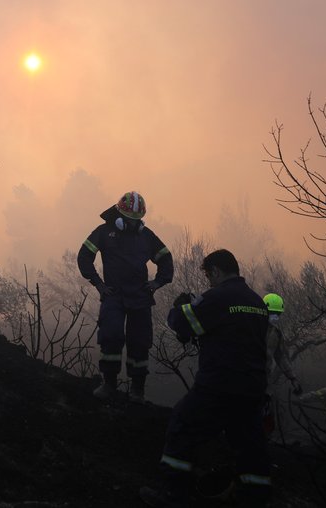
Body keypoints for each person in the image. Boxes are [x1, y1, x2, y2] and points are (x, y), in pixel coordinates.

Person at [140, 249, 271, 508]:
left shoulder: (218, 297)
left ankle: (173, 497)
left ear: (217, 271)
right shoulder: (257, 302)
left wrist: (180, 306)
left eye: (209, 276)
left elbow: (182, 323)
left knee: (182, 428)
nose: (209, 282)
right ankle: (253, 500)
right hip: (252, 390)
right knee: (251, 448)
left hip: (218, 386)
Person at [77, 191, 174, 403]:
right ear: (119, 216)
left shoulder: (146, 236)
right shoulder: (103, 232)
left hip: (140, 297)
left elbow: (165, 258)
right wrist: (99, 284)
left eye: (137, 220)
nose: (133, 224)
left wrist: (157, 282)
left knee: (139, 342)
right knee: (110, 336)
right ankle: (108, 383)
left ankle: (137, 389)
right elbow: (84, 256)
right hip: (114, 295)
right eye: (129, 220)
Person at [262, 292, 301, 438]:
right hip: (247, 378)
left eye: (278, 314)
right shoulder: (252, 328)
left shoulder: (276, 333)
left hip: (264, 381)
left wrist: (293, 378)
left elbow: (281, 357)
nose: (275, 317)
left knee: (265, 419)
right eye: (273, 313)